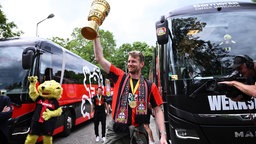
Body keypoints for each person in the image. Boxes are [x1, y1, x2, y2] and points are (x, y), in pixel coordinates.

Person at [93, 36, 167, 144]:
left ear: (142, 64)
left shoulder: (150, 86)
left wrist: (163, 135)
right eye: (128, 61)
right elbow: (100, 58)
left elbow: (158, 110)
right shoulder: (119, 76)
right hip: (117, 131)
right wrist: (96, 36)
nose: (129, 64)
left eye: (133, 61)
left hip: (139, 131)